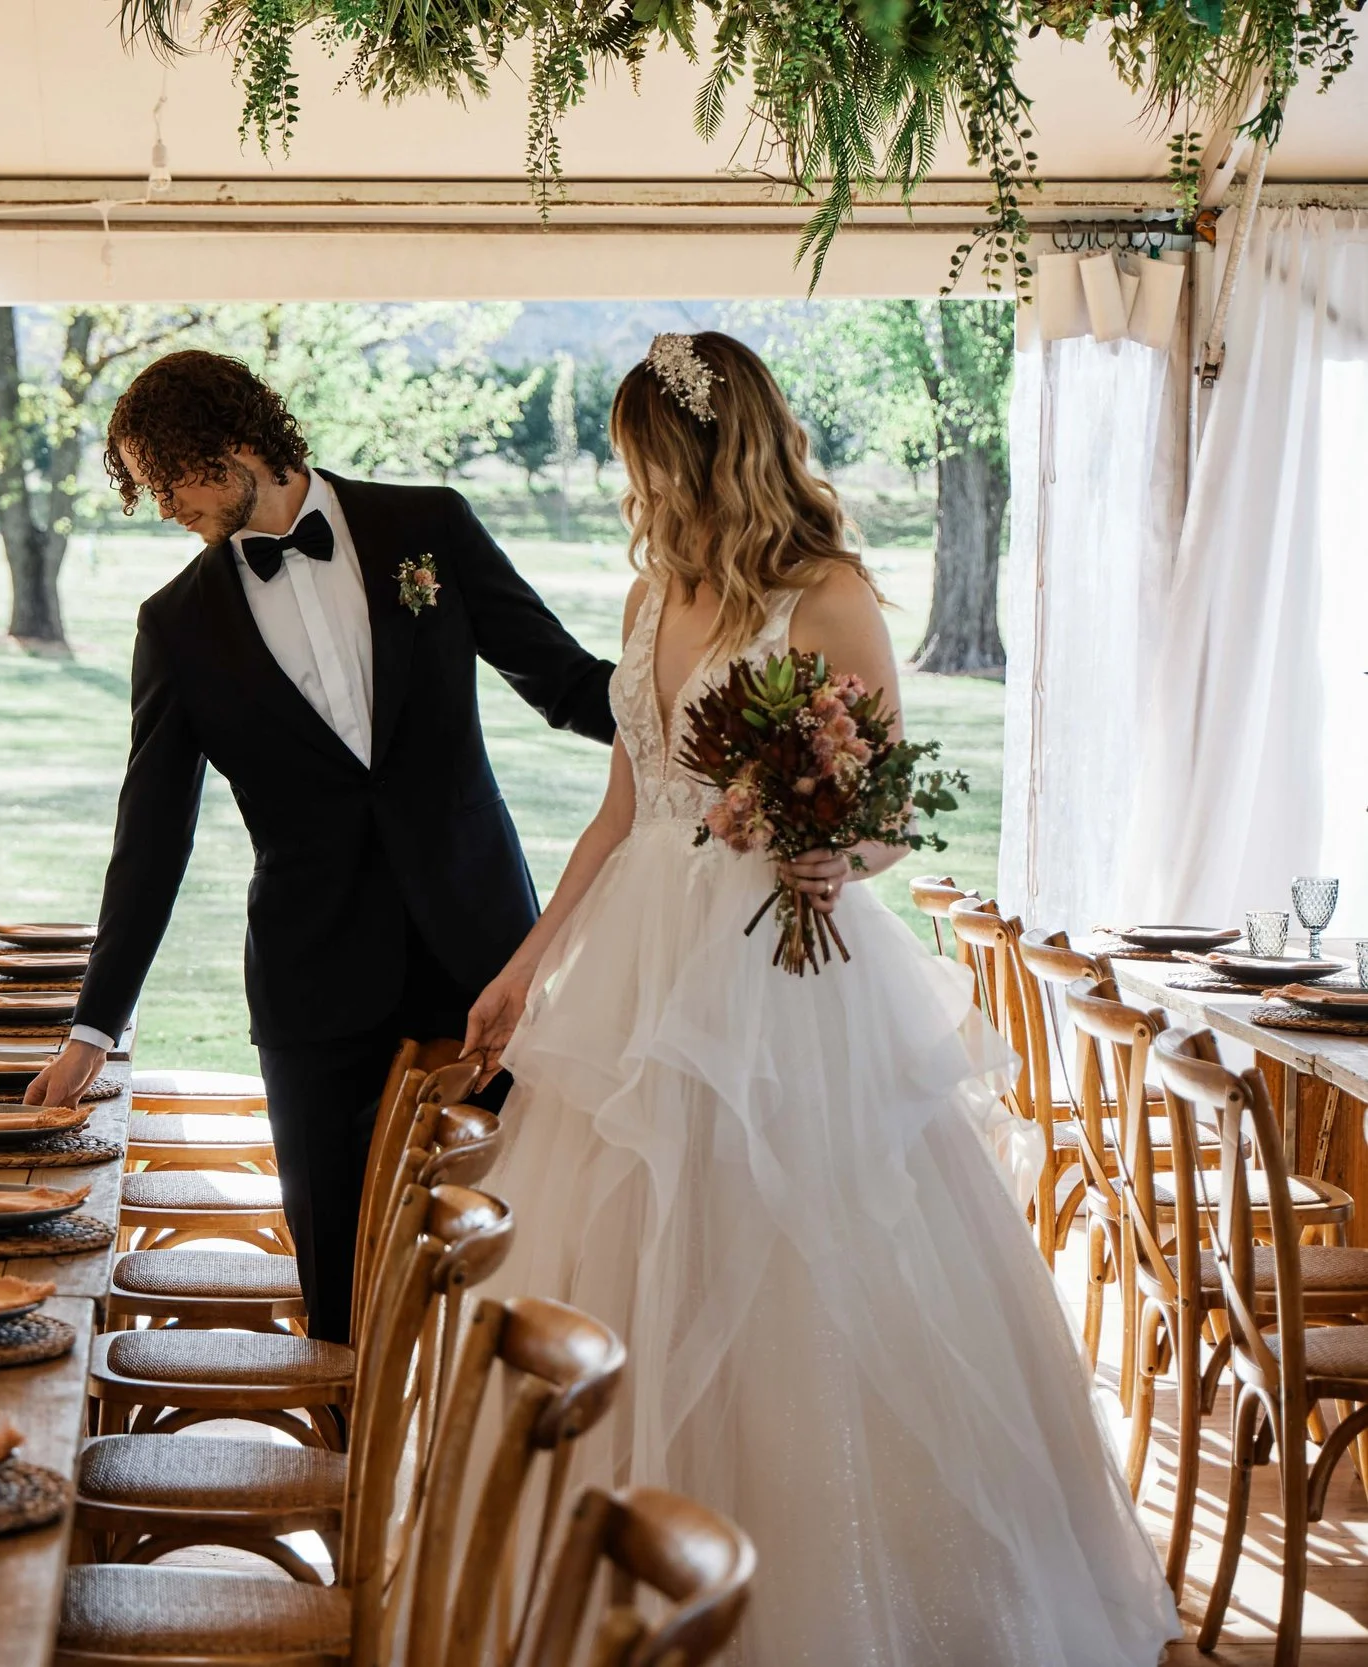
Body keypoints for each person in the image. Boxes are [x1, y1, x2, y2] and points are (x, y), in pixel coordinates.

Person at [461, 331, 1176, 1664]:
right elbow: (623, 808)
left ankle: (820, 1594)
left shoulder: (829, 593)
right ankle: (599, 1585)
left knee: (792, 1258)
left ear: (703, 451)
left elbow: (890, 809)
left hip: (778, 971)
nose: (634, 486)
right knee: (625, 1238)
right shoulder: (648, 596)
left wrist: (818, 846)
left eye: (644, 457)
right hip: (636, 970)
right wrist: (524, 963)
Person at [22, 349, 616, 1343]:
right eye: (146, 487)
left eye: (171, 478)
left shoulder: (427, 526)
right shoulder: (175, 624)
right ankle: (347, 1487)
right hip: (313, 989)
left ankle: (477, 1488)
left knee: (516, 1256)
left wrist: (700, 719)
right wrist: (94, 1025)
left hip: (482, 966)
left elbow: (560, 681)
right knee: (338, 1292)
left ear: (238, 443)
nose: (163, 504)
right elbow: (151, 831)